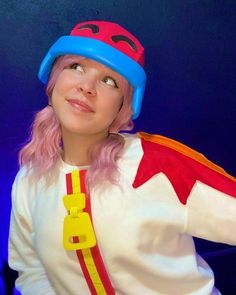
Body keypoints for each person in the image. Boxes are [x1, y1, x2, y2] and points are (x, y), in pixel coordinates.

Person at [8, 20, 236, 295]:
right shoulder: (29, 180)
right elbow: (31, 270)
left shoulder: (157, 165)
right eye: (75, 67)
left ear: (122, 107)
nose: (86, 86)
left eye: (109, 81)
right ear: (54, 79)